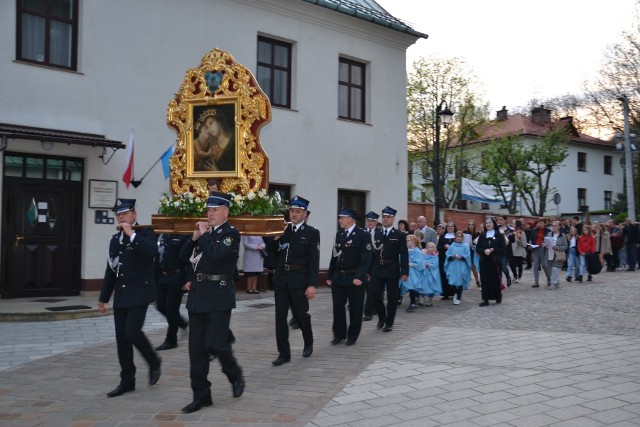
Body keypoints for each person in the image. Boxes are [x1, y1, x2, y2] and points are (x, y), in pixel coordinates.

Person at [178, 192, 245, 413]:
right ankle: (201, 395)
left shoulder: (231, 234)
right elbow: (181, 257)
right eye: (208, 210)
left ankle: (234, 374)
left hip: (219, 295)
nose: (210, 213)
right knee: (196, 350)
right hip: (198, 295)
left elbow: (216, 255)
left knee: (217, 344)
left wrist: (205, 234)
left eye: (215, 210)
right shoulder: (204, 234)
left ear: (226, 211)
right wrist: (194, 237)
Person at [97, 198, 162, 398]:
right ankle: (127, 381)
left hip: (141, 291)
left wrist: (132, 235)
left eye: (125, 214)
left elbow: (151, 252)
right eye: (119, 214)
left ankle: (153, 360)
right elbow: (111, 270)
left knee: (132, 332)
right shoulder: (115, 240)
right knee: (122, 339)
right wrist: (103, 297)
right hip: (123, 294)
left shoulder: (145, 233)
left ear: (134, 215)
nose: (121, 217)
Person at [267, 195, 319, 366]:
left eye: (298, 212)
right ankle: (284, 353)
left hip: (299, 279)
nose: (294, 214)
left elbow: (313, 260)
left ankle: (308, 341)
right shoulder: (282, 230)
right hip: (282, 278)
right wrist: (275, 239)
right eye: (292, 211)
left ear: (304, 214)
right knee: (280, 318)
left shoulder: (311, 233)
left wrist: (312, 284)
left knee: (300, 315)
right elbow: (271, 252)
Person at [327, 208, 372, 345]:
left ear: (350, 219)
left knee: (355, 307)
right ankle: (339, 334)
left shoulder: (363, 235)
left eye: (342, 217)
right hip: (339, 277)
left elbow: (366, 258)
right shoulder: (339, 234)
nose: (339, 220)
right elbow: (334, 256)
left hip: (354, 277)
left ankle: (352, 335)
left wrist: (360, 276)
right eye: (339, 217)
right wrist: (330, 275)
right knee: (338, 307)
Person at [370, 206, 408, 332]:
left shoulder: (399, 235)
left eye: (388, 217)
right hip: (378, 268)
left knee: (392, 298)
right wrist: (369, 270)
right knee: (374, 295)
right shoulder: (377, 233)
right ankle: (382, 317)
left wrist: (405, 271)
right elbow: (373, 253)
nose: (385, 219)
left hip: (392, 268)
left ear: (393, 218)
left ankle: (389, 322)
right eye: (384, 217)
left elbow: (404, 254)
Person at [154, 233, 190, 351]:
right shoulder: (161, 235)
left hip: (177, 276)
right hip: (162, 276)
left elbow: (188, 259)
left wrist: (188, 279)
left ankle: (171, 340)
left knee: (171, 309)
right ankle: (182, 323)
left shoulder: (184, 235)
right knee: (160, 306)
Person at [193, 108, 235, 172]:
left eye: (211, 123)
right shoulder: (212, 145)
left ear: (219, 121)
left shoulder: (233, 140)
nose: (210, 129)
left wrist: (217, 172)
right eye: (207, 127)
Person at [476, 217, 505, 306]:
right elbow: (478, 248)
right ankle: (485, 299)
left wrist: (493, 249)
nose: (488, 224)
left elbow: (502, 248)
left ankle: (497, 296)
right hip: (484, 260)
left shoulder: (499, 234)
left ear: (493, 224)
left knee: (495, 279)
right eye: (487, 223)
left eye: (490, 222)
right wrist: (484, 251)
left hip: (495, 261)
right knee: (484, 280)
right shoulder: (482, 235)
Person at [444, 231, 471, 305]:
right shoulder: (451, 246)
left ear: (462, 238)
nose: (459, 238)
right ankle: (455, 292)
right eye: (457, 236)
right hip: (453, 266)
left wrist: (461, 257)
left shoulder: (465, 246)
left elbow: (468, 256)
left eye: (460, 237)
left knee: (460, 282)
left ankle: (458, 297)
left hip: (461, 266)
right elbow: (447, 256)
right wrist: (452, 257)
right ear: (455, 237)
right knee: (451, 281)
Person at [401, 234, 426, 312]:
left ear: (413, 242)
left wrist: (411, 264)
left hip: (414, 272)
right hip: (406, 271)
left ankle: (413, 303)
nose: (406, 242)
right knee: (408, 286)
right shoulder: (405, 250)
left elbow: (420, 264)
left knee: (412, 287)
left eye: (408, 241)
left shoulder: (417, 251)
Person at [362, 211, 379, 322]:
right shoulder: (362, 232)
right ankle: (372, 308)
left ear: (376, 222)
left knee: (372, 290)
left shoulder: (380, 233)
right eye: (369, 220)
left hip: (374, 266)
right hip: (362, 265)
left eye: (372, 221)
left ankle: (369, 312)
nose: (370, 222)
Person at [437, 221, 457, 300]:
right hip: (443, 259)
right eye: (448, 226)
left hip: (454, 259)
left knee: (453, 276)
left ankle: (455, 292)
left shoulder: (456, 236)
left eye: (451, 226)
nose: (450, 227)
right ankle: (445, 294)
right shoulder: (442, 236)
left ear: (454, 227)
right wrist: (444, 247)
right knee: (444, 276)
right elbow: (438, 247)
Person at [546, 221, 568, 290]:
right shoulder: (549, 234)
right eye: (553, 226)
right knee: (550, 270)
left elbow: (565, 246)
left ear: (559, 227)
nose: (554, 227)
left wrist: (557, 247)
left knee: (555, 269)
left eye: (555, 226)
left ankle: (553, 284)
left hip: (558, 255)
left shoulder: (563, 235)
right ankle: (556, 281)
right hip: (549, 254)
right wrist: (544, 244)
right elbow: (546, 242)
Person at [530, 218, 550, 288]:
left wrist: (545, 243)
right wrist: (530, 244)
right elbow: (531, 239)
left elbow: (549, 240)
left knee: (544, 266)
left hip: (543, 249)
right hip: (535, 249)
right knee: (535, 266)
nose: (540, 224)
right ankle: (536, 282)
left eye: (542, 222)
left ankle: (549, 279)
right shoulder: (535, 230)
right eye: (539, 222)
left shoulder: (548, 231)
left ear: (545, 223)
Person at [420, 242, 443, 306]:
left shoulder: (435, 256)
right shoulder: (423, 255)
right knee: (423, 285)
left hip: (432, 273)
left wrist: (428, 265)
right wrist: (423, 264)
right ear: (427, 248)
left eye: (433, 247)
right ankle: (422, 298)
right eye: (430, 247)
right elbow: (421, 262)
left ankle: (429, 300)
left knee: (431, 286)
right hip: (424, 273)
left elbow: (435, 265)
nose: (431, 249)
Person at [463, 219, 481, 287]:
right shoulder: (465, 232)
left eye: (472, 225)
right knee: (465, 267)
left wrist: (474, 244)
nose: (470, 226)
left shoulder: (477, 234)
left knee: (474, 267)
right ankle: (465, 281)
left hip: (474, 251)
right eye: (469, 225)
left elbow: (479, 243)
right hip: (467, 251)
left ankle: (477, 280)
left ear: (474, 226)